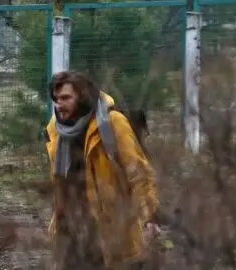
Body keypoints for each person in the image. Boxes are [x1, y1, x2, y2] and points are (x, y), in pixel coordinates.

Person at [44, 71, 160, 269]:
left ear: (82, 97)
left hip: (110, 226)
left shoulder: (112, 122)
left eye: (65, 98)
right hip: (71, 228)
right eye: (55, 99)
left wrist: (149, 216)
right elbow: (58, 180)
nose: (58, 104)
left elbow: (138, 171)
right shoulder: (56, 128)